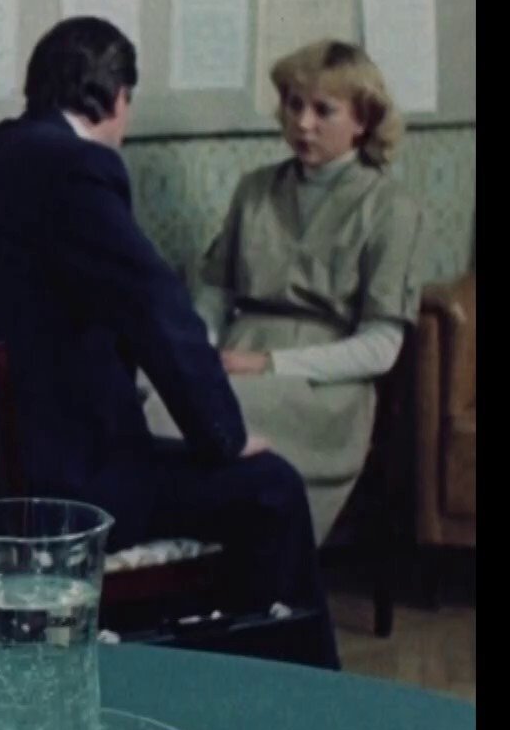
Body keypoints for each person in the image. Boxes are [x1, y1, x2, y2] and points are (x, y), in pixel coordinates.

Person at [0, 15, 338, 669]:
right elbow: (156, 305)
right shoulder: (77, 166)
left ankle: (209, 670)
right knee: (271, 488)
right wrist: (225, 436)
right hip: (57, 484)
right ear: (118, 99)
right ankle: (295, 688)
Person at [146, 39, 425, 545]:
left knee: (185, 413)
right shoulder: (255, 189)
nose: (302, 123)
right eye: (295, 105)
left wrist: (269, 364)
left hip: (322, 387)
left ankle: (226, 555)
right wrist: (199, 355)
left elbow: (381, 348)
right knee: (152, 390)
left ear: (362, 120)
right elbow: (214, 295)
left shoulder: (390, 208)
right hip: (238, 356)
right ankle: (178, 558)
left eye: (323, 110)